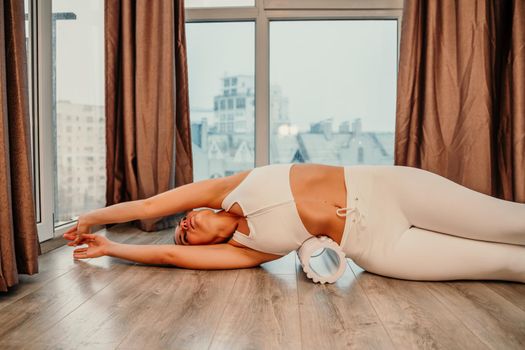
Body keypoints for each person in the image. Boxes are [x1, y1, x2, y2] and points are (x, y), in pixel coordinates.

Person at [63, 163, 525, 283]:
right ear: (198, 246)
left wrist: (93, 218)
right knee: (505, 266)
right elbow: (165, 253)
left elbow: (148, 207)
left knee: (512, 223)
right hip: (383, 249)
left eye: (185, 219)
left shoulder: (229, 187)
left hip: (391, 190)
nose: (185, 223)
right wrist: (110, 248)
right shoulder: (247, 252)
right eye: (187, 234)